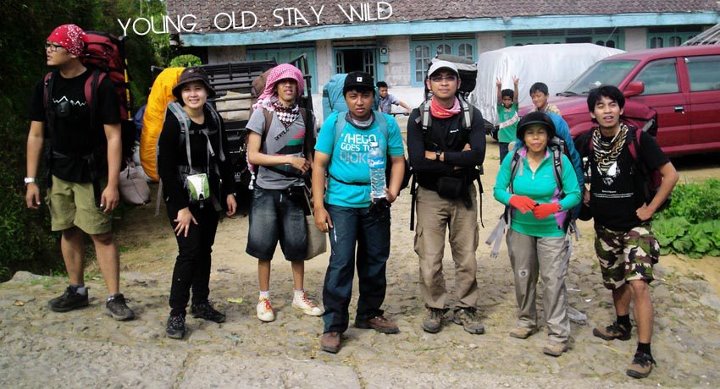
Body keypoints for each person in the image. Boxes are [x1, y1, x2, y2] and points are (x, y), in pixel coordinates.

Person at [25, 24, 134, 321]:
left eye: (54, 45)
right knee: (67, 229)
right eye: (48, 44)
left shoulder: (99, 85)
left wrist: (111, 184)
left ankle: (114, 296)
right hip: (58, 170)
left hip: (91, 172)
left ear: (73, 51)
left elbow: (114, 137)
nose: (48, 50)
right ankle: (77, 290)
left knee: (102, 234)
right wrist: (31, 180)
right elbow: (36, 135)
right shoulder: (46, 84)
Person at [575, 85, 678, 378]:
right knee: (615, 281)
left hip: (636, 227)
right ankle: (622, 325)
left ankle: (644, 352)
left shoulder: (638, 139)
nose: (607, 110)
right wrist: (582, 195)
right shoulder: (586, 141)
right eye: (600, 106)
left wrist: (650, 209)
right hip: (604, 226)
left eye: (612, 105)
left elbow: (671, 175)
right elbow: (570, 165)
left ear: (621, 109)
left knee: (639, 284)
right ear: (592, 112)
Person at [312, 71, 406, 353]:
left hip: (376, 201)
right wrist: (318, 206)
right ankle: (334, 325)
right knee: (341, 263)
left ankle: (369, 312)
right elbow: (318, 165)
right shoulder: (335, 123)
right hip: (341, 202)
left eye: (365, 95)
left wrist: (393, 191)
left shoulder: (386, 123)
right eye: (353, 95)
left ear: (373, 97)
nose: (360, 101)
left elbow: (398, 161)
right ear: (345, 98)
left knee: (375, 259)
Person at [407, 60, 486, 335]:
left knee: (466, 256)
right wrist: (458, 159)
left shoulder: (471, 115)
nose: (443, 82)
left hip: (463, 193)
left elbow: (477, 156)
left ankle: (466, 307)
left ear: (458, 82)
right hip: (430, 195)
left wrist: (438, 155)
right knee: (430, 258)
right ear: (428, 84)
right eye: (437, 78)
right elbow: (417, 163)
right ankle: (435, 306)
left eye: (449, 78)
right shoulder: (418, 117)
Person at [157, 67, 237, 339]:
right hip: (181, 193)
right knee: (189, 251)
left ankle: (200, 303)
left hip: (208, 191)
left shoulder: (214, 117)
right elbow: (165, 167)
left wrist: (229, 191)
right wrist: (181, 207)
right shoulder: (174, 120)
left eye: (198, 88)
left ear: (206, 92)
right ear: (180, 94)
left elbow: (224, 156)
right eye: (187, 89)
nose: (193, 94)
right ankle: (176, 312)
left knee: (205, 249)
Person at [493, 111, 581, 357]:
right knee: (524, 276)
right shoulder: (512, 159)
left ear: (548, 135)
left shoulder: (559, 161)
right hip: (520, 229)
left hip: (552, 230)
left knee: (553, 280)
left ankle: (558, 334)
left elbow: (574, 193)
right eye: (530, 133)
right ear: (523, 136)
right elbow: (498, 189)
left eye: (540, 132)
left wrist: (555, 207)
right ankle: (526, 321)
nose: (535, 138)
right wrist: (513, 199)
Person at [245, 63, 323, 322]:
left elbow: (311, 154)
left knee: (297, 247)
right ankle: (264, 298)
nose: (288, 86)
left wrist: (315, 190)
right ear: (275, 86)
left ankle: (299, 295)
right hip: (266, 191)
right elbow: (253, 155)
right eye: (283, 82)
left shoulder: (305, 115)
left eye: (293, 82)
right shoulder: (261, 114)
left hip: (295, 192)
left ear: (298, 87)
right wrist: (288, 160)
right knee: (263, 248)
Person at [496, 76, 519, 162]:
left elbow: (516, 97)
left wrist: (515, 85)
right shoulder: (500, 109)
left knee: (514, 161)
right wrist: (499, 87)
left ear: (512, 100)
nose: (507, 101)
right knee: (504, 162)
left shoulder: (514, 108)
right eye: (504, 99)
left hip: (513, 140)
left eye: (509, 99)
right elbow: (498, 98)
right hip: (503, 140)